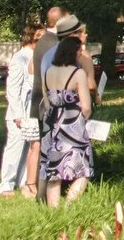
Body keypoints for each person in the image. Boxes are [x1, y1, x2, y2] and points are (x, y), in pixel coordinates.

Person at [40, 33, 94, 207]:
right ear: (73, 52)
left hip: (52, 124)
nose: (81, 54)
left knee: (54, 171)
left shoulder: (48, 72)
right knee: (83, 170)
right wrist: (84, 121)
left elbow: (47, 103)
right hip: (73, 125)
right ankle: (69, 206)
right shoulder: (78, 73)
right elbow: (86, 105)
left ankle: (52, 211)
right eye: (79, 50)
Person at [0, 23, 43, 198]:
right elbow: (12, 89)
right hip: (19, 112)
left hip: (31, 110)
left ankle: (24, 181)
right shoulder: (20, 58)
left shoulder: (34, 56)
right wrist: (17, 114)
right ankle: (6, 185)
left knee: (30, 148)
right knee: (15, 147)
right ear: (33, 38)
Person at [28, 6, 65, 188]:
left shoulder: (44, 39)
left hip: (40, 99)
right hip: (47, 101)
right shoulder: (53, 43)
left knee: (43, 145)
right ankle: (43, 188)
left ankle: (39, 186)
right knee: (47, 146)